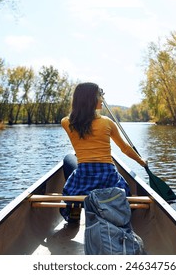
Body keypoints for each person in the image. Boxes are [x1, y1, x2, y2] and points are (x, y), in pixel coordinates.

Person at [60, 82, 147, 223]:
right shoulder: (107, 123)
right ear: (91, 99)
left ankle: (75, 204)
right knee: (118, 180)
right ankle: (115, 205)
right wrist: (141, 161)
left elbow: (76, 117)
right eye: (99, 95)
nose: (102, 99)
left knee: (69, 159)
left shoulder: (66, 122)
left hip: (84, 177)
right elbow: (125, 148)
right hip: (108, 178)